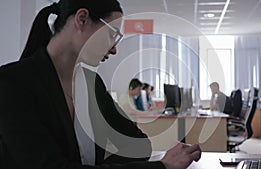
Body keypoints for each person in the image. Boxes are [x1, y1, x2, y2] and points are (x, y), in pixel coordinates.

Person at [0, 1, 201, 169]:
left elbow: (138, 145)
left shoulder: (91, 83)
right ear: (82, 19)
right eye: (112, 34)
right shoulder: (12, 83)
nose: (114, 49)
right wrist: (161, 166)